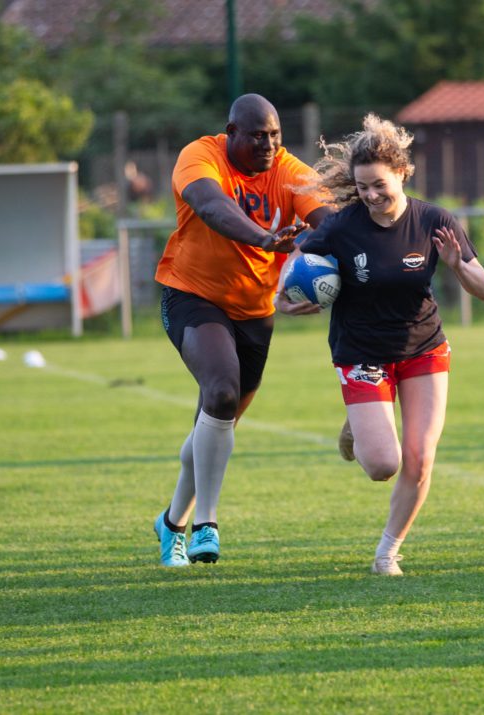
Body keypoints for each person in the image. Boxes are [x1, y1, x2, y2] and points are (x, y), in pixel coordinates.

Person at [278, 113, 484, 576]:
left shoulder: (434, 219)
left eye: (379, 185)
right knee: (382, 465)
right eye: (363, 187)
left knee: (418, 457)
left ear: (401, 173)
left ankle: (387, 553)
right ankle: (359, 423)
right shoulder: (341, 227)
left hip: (424, 349)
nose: (371, 195)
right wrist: (286, 299)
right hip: (361, 352)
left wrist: (457, 265)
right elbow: (295, 266)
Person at [151, 94, 332, 567]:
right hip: (193, 295)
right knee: (222, 392)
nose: (268, 144)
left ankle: (170, 524)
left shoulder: (291, 170)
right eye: (256, 135)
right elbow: (211, 206)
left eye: (274, 135)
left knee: (215, 423)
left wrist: (314, 266)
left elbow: (327, 222)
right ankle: (205, 524)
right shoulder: (200, 156)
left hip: (256, 312)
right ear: (230, 132)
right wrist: (266, 239)